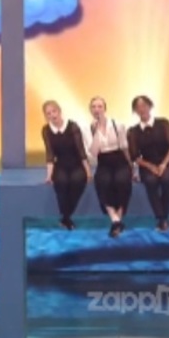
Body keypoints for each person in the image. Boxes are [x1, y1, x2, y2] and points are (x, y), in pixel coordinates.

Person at [128, 95, 169, 231]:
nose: (141, 109)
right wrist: (151, 167)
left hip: (167, 161)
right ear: (135, 111)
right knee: (151, 182)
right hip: (146, 164)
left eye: (144, 105)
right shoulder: (133, 131)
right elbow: (135, 156)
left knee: (167, 180)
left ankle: (163, 219)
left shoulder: (164, 123)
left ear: (150, 106)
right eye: (138, 107)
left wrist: (163, 165)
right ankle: (162, 219)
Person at [84, 96, 132, 238]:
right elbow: (93, 153)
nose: (97, 109)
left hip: (119, 159)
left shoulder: (118, 125)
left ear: (105, 109)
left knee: (122, 181)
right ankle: (115, 219)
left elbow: (124, 147)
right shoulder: (87, 129)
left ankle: (118, 218)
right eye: (93, 107)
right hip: (103, 161)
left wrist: (131, 166)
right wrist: (96, 132)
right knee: (102, 182)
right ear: (90, 110)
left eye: (99, 106)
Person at [41, 100, 92, 230]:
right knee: (61, 183)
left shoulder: (73, 126)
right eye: (48, 113)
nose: (52, 115)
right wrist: (49, 175)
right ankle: (66, 218)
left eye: (54, 111)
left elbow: (81, 150)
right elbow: (50, 153)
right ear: (46, 116)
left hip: (76, 163)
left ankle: (65, 217)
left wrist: (88, 171)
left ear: (59, 111)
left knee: (77, 181)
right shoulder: (46, 130)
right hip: (61, 164)